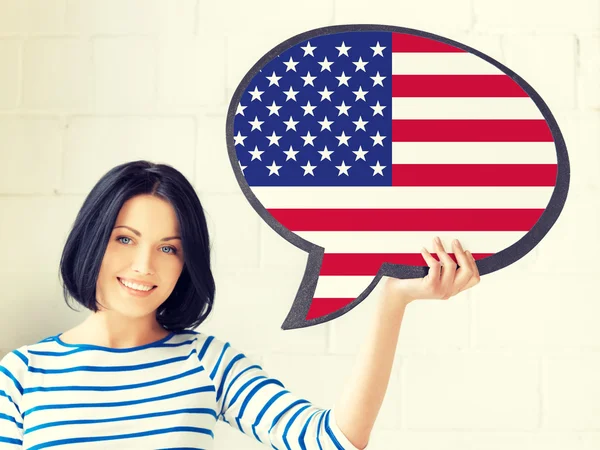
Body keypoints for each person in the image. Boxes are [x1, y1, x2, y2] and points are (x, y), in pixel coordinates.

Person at [0, 160, 480, 449]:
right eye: (125, 239)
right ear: (91, 240)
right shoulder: (22, 374)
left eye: (169, 247)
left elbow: (334, 440)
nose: (145, 265)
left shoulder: (204, 362)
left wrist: (391, 301)